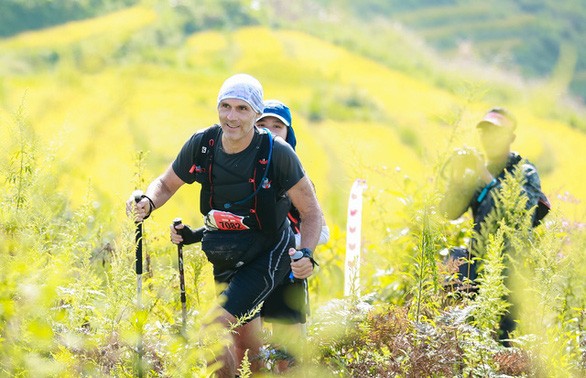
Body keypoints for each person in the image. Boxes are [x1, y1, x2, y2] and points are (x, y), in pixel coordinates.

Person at [126, 74, 323, 377]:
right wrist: (148, 202)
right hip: (228, 253)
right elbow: (166, 183)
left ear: (256, 114)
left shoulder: (279, 154)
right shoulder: (203, 144)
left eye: (242, 109)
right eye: (225, 106)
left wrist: (306, 252)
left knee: (211, 330)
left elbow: (311, 212)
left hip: (269, 251)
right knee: (246, 349)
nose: (232, 116)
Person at [171, 99, 330, 372]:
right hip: (249, 269)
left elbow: (320, 228)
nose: (270, 131)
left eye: (277, 126)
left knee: (287, 353)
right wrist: (194, 235)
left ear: (288, 134)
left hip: (288, 271)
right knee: (248, 351)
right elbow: (234, 223)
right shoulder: (247, 170)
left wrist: (298, 250)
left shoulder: (293, 177)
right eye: (263, 125)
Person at [439, 107, 550, 344]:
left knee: (504, 342)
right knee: (462, 331)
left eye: (496, 133)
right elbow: (448, 211)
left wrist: (484, 175)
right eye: (485, 133)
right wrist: (459, 178)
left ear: (510, 138)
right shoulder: (477, 172)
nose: (489, 139)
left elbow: (520, 210)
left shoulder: (524, 171)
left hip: (511, 266)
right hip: (478, 261)